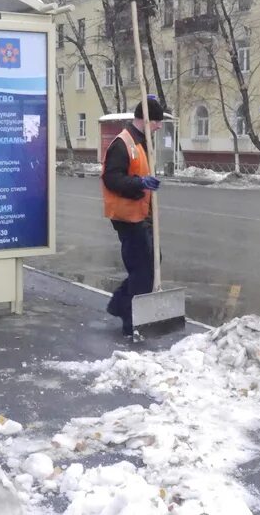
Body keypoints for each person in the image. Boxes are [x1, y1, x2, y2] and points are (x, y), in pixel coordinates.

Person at [101, 97, 163, 338]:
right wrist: (140, 182)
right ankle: (131, 323)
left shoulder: (142, 141)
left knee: (152, 261)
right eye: (156, 121)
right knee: (143, 268)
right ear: (145, 120)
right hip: (127, 216)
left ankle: (119, 304)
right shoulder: (122, 143)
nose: (159, 126)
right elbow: (112, 178)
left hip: (141, 213)